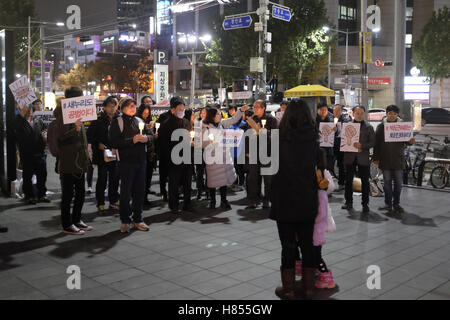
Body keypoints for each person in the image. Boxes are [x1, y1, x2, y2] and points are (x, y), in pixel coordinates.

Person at [270, 99, 324, 300]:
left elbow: (270, 166)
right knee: (307, 244)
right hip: (306, 198)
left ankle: (289, 289)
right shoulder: (313, 137)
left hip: (284, 198)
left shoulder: (277, 138)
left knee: (288, 246)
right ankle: (309, 287)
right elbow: (320, 165)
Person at [109, 96, 152, 233]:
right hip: (126, 163)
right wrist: (131, 140)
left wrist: (147, 138)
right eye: (129, 106)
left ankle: (138, 219)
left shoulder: (139, 120)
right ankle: (125, 220)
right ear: (122, 108)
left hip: (141, 161)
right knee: (126, 193)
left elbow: (151, 136)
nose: (133, 108)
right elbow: (114, 142)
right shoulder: (118, 122)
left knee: (139, 191)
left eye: (134, 105)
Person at [54, 87, 92, 235]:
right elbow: (60, 138)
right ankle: (67, 224)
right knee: (68, 195)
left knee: (81, 193)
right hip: (69, 163)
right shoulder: (62, 115)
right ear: (73, 100)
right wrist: (74, 130)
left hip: (79, 162)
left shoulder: (77, 114)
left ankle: (76, 220)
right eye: (80, 97)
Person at [202, 104, 248, 209]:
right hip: (212, 158)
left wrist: (240, 110)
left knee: (223, 181)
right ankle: (212, 201)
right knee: (212, 180)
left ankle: (223, 200)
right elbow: (199, 142)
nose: (220, 115)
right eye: (218, 114)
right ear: (212, 116)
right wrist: (210, 143)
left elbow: (233, 119)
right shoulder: (204, 126)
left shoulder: (222, 124)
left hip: (224, 157)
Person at [373, 105, 415, 213]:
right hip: (385, 159)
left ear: (397, 115)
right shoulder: (381, 127)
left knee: (398, 183)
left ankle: (396, 203)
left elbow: (407, 141)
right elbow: (376, 144)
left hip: (398, 159)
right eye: (390, 113)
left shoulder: (402, 126)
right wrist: (376, 158)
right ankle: (388, 203)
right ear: (386, 114)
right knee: (387, 183)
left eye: (394, 114)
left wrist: (410, 141)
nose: (392, 116)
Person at [157, 97, 192, 213]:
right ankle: (174, 205)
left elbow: (192, 137)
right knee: (174, 183)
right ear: (172, 110)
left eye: (183, 109)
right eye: (179, 109)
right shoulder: (166, 124)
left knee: (187, 182)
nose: (182, 111)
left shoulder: (186, 122)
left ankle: (187, 203)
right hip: (173, 158)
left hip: (186, 157)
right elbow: (163, 143)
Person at [241, 100, 278, 209]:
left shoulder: (271, 120)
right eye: (254, 107)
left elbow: (274, 137)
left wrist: (260, 131)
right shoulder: (252, 120)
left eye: (258, 107)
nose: (255, 109)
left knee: (268, 179)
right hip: (253, 152)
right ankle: (254, 199)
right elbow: (246, 137)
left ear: (263, 108)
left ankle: (267, 200)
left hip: (267, 152)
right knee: (253, 178)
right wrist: (247, 151)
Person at [86, 96, 120, 214]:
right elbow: (89, 136)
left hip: (116, 154)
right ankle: (100, 203)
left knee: (115, 179)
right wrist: (98, 144)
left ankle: (113, 200)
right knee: (102, 179)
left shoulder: (119, 119)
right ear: (105, 107)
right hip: (102, 155)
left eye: (114, 106)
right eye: (110, 106)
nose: (112, 108)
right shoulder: (98, 120)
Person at [342, 106, 375, 213]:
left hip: (363, 157)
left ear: (364, 114)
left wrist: (362, 146)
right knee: (348, 181)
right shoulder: (347, 125)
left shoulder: (369, 127)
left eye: (361, 113)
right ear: (353, 113)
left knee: (365, 181)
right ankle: (348, 202)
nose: (359, 115)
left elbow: (373, 142)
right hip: (350, 157)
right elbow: (342, 140)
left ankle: (365, 204)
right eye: (357, 113)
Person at [14, 104, 49, 204]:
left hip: (40, 153)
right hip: (27, 153)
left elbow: (45, 130)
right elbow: (15, 127)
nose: (29, 112)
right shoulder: (20, 122)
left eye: (31, 110)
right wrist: (21, 113)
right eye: (27, 110)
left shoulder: (38, 120)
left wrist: (45, 136)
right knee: (27, 175)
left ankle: (42, 195)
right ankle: (29, 196)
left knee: (42, 175)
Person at [137, 103, 157, 205]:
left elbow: (151, 137)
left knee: (148, 177)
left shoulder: (149, 122)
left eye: (147, 113)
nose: (145, 115)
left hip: (150, 154)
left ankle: (145, 197)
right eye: (144, 113)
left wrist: (152, 131)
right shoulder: (136, 121)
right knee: (141, 179)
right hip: (140, 154)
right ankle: (140, 198)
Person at [155, 107, 172, 201]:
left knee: (173, 174)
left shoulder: (180, 117)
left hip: (175, 150)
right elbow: (157, 130)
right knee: (163, 173)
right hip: (164, 149)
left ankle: (172, 192)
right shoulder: (164, 116)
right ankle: (163, 191)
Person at [332, 104, 349, 190]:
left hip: (342, 145)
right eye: (334, 110)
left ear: (341, 111)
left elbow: (346, 133)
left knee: (342, 164)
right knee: (333, 164)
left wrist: (337, 130)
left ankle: (342, 183)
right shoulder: (331, 119)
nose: (335, 112)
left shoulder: (345, 120)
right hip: (332, 145)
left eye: (337, 110)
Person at [316, 103, 335, 174]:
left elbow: (333, 136)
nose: (323, 111)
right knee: (319, 168)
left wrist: (334, 130)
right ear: (317, 110)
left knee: (328, 167)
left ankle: (327, 181)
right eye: (321, 110)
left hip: (328, 149)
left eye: (325, 110)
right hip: (318, 148)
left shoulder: (330, 121)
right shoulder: (314, 121)